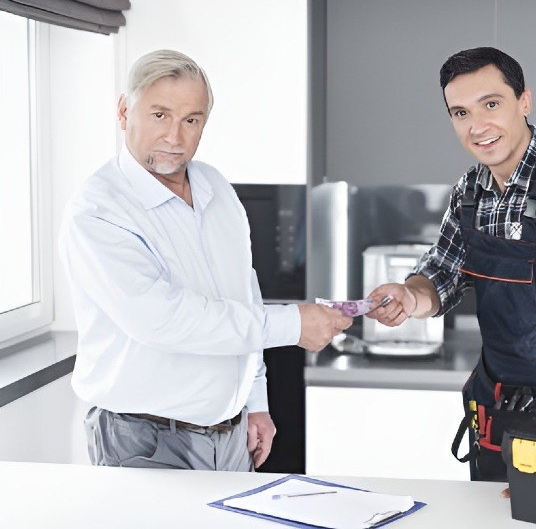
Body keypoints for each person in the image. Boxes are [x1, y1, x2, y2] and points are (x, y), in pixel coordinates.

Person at [59, 49, 352, 472]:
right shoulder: (99, 211)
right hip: (144, 440)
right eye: (160, 115)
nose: (175, 137)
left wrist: (254, 402)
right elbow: (165, 320)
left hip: (230, 436)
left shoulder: (215, 186)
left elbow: (241, 295)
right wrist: (293, 324)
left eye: (191, 120)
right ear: (125, 111)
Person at [366, 47, 536, 481]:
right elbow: (443, 274)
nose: (477, 126)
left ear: (524, 101)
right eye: (461, 112)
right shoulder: (470, 188)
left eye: (491, 104)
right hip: (496, 408)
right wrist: (411, 296)